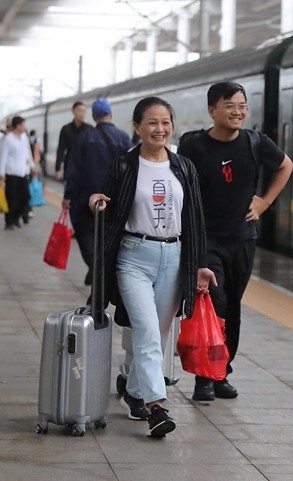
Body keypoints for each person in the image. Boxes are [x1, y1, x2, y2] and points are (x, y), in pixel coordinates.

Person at [89, 96, 216, 438]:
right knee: (146, 333)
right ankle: (156, 406)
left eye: (165, 122)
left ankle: (134, 392)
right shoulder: (124, 166)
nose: (160, 129)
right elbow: (105, 202)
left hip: (175, 257)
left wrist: (201, 264)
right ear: (137, 127)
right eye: (152, 123)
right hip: (134, 257)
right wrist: (95, 202)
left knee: (158, 336)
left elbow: (195, 218)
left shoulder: (184, 167)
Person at [177, 81, 293, 401]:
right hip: (206, 239)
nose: (237, 112)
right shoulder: (194, 146)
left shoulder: (256, 142)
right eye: (229, 106)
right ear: (212, 110)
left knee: (233, 307)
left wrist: (265, 202)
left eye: (242, 106)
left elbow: (286, 165)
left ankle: (222, 373)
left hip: (242, 239)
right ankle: (204, 377)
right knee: (214, 304)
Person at [64, 98, 132, 286]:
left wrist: (68, 195)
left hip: (85, 199)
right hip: (114, 200)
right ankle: (99, 268)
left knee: (84, 233)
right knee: (106, 236)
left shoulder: (84, 137)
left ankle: (95, 266)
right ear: (110, 115)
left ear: (94, 116)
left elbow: (73, 169)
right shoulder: (123, 137)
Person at [0, 116, 35, 230]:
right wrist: (1, 172)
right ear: (18, 126)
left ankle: (16, 216)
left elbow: (28, 152)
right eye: (23, 125)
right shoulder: (8, 139)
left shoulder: (24, 137)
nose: (25, 127)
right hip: (11, 172)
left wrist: (32, 166)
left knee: (26, 196)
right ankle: (9, 221)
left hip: (23, 171)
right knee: (11, 198)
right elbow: (3, 156)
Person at [55, 101, 91, 180]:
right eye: (79, 110)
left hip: (85, 167)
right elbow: (61, 149)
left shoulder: (89, 129)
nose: (82, 113)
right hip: (70, 166)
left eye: (84, 111)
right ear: (73, 111)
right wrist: (57, 168)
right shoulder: (66, 129)